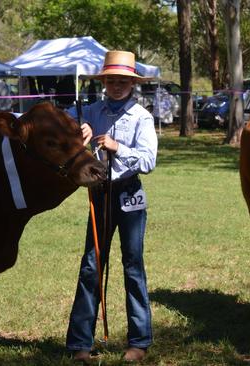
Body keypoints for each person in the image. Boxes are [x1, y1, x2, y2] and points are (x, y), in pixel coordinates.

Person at [65, 50, 158, 363]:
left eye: (123, 80)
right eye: (111, 80)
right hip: (99, 194)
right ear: (103, 81)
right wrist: (79, 130)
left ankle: (139, 342)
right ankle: (80, 343)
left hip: (129, 193)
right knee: (92, 264)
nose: (117, 85)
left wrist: (120, 148)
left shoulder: (142, 117)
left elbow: (149, 160)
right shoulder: (90, 110)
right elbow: (63, 125)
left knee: (133, 265)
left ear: (132, 84)